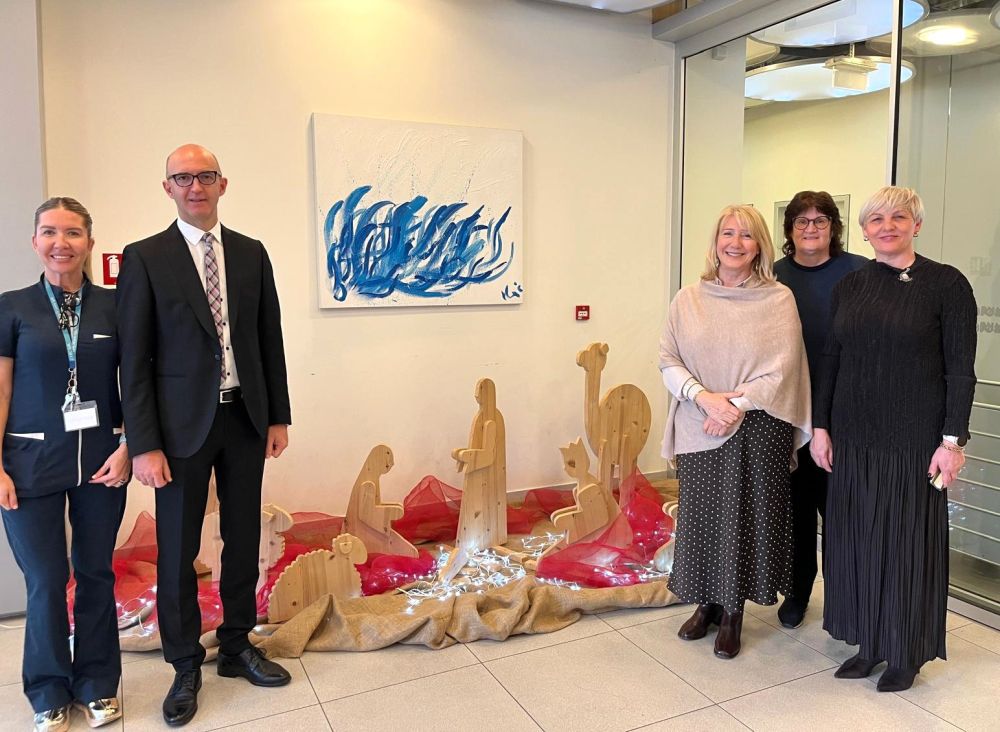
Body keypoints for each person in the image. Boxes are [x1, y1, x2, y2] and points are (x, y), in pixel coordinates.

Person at [117, 144, 292, 727]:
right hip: (177, 430)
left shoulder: (250, 252)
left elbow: (269, 338)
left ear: (223, 183)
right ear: (167, 187)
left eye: (206, 176)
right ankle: (185, 663)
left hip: (245, 418)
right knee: (177, 550)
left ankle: (237, 645)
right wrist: (144, 443)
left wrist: (278, 415)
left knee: (243, 538)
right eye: (184, 177)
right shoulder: (145, 257)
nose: (196, 186)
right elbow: (133, 360)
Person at [812, 186, 976, 692]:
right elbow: (832, 359)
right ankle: (869, 641)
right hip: (854, 437)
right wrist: (821, 427)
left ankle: (906, 650)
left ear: (916, 225)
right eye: (876, 219)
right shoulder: (851, 285)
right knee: (857, 540)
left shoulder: (946, 284)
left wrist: (952, 442)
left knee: (907, 545)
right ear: (864, 230)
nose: (887, 226)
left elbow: (960, 370)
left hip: (915, 441)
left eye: (899, 217)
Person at [659, 204, 811, 660]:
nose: (736, 243)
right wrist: (704, 398)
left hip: (759, 424)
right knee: (702, 516)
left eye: (747, 235)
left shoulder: (778, 299)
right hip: (698, 419)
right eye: (728, 233)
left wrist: (733, 407)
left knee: (745, 518)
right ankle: (706, 603)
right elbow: (668, 358)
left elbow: (782, 368)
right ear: (716, 241)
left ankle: (733, 612)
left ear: (759, 246)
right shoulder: (688, 298)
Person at [0, 198, 129, 732]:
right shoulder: (11, 307)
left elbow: (139, 383)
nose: (61, 243)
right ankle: (49, 689)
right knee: (47, 578)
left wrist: (130, 446)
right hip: (29, 463)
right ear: (35, 241)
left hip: (103, 461)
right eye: (49, 232)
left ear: (90, 243)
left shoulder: (117, 306)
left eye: (73, 233)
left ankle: (98, 683)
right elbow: (1, 389)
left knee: (96, 572)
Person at [772, 191, 867, 629]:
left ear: (834, 227)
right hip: (790, 408)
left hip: (844, 410)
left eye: (820, 220)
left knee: (842, 511)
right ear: (790, 229)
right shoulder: (773, 276)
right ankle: (797, 592)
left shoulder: (859, 272)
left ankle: (846, 599)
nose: (811, 228)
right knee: (796, 510)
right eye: (802, 221)